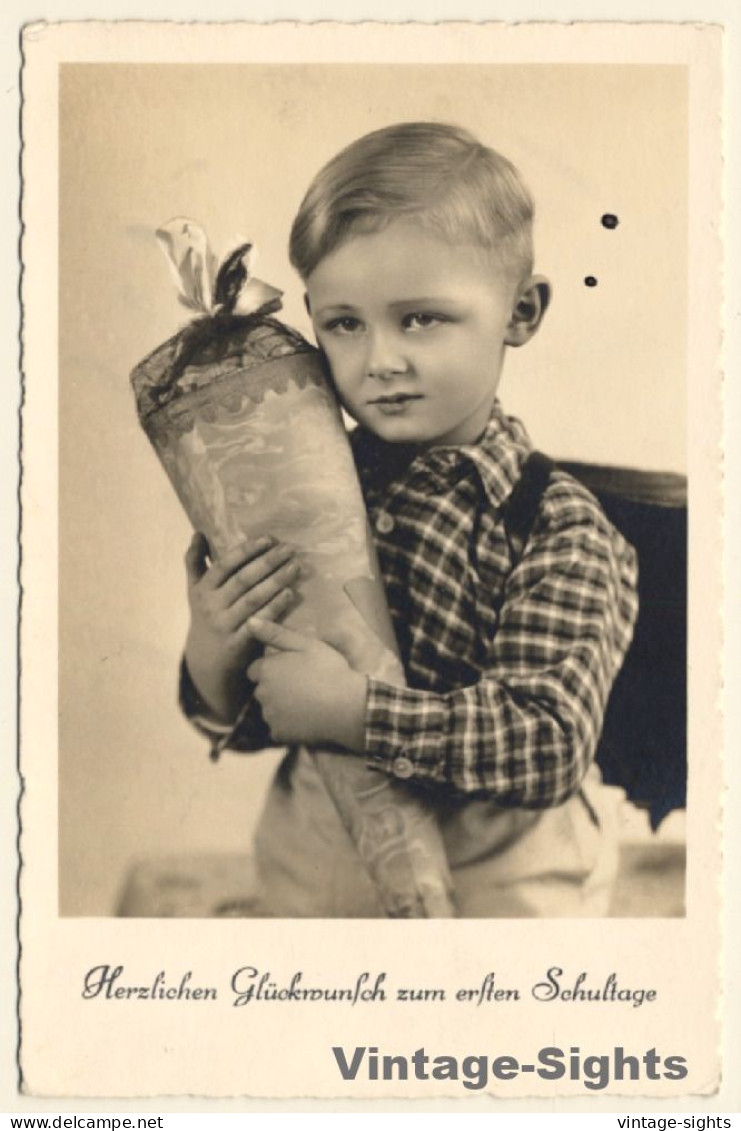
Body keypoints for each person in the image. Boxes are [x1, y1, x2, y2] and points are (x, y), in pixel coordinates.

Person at [180, 122, 639, 917]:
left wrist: (357, 711)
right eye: (344, 324)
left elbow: (547, 742)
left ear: (520, 312)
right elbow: (261, 720)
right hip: (314, 874)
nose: (378, 361)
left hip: (502, 883)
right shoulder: (284, 484)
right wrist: (212, 658)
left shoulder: (557, 527)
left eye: (420, 318)